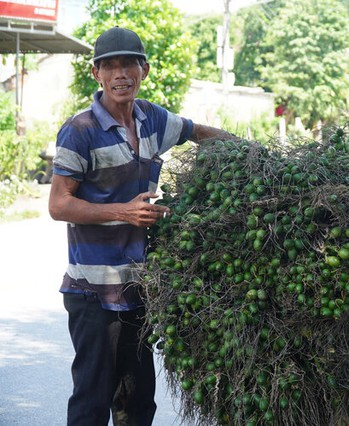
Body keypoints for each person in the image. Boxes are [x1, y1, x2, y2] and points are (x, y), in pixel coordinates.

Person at [48, 26, 239, 426]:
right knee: (91, 402)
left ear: (144, 70)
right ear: (96, 74)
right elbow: (59, 204)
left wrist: (248, 154)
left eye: (129, 64)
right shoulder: (79, 131)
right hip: (92, 293)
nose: (121, 74)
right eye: (110, 66)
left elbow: (196, 132)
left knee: (137, 404)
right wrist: (123, 212)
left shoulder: (151, 118)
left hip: (138, 287)